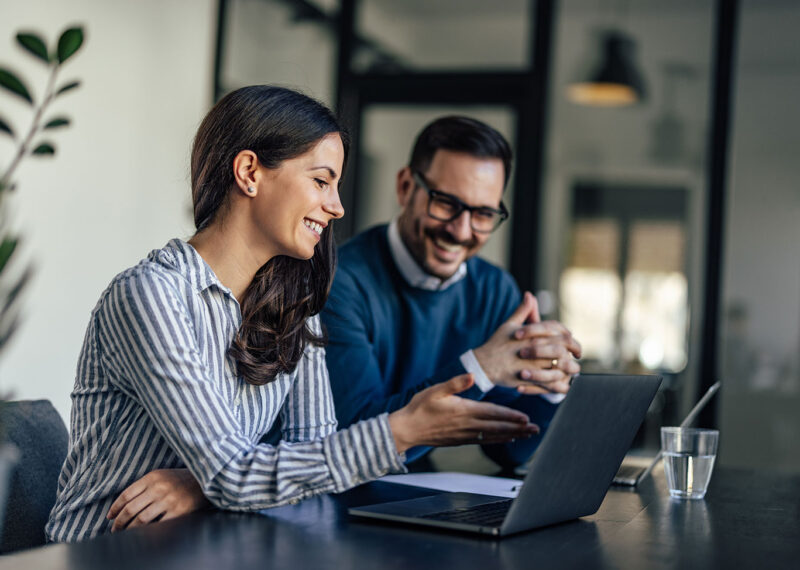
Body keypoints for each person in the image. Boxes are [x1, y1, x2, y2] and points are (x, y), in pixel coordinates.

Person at [45, 87, 539, 542]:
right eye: (322, 181)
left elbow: (314, 459)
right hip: (102, 552)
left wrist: (206, 482)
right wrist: (402, 429)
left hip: (204, 544)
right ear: (250, 173)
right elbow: (235, 475)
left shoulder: (292, 306)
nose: (338, 206)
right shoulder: (151, 296)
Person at [320, 116, 582, 469]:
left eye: (483, 214)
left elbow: (507, 450)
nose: (461, 231)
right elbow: (353, 436)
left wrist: (551, 384)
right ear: (405, 186)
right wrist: (481, 369)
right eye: (446, 203)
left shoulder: (494, 289)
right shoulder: (338, 280)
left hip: (422, 496)